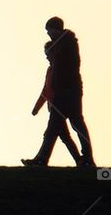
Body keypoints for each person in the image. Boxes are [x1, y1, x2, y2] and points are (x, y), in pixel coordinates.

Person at [22, 16, 94, 167]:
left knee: (70, 125)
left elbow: (64, 66)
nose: (48, 34)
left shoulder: (66, 44)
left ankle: (83, 159)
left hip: (67, 92)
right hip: (67, 92)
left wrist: (51, 49)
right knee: (61, 127)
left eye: (49, 31)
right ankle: (83, 159)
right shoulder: (64, 43)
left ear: (55, 29)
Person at [26, 41, 81, 166]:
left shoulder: (58, 70)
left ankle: (40, 160)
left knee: (51, 134)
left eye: (47, 53)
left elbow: (51, 90)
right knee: (64, 137)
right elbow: (45, 91)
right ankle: (79, 160)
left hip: (58, 108)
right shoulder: (50, 70)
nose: (46, 56)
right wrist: (36, 108)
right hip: (53, 108)